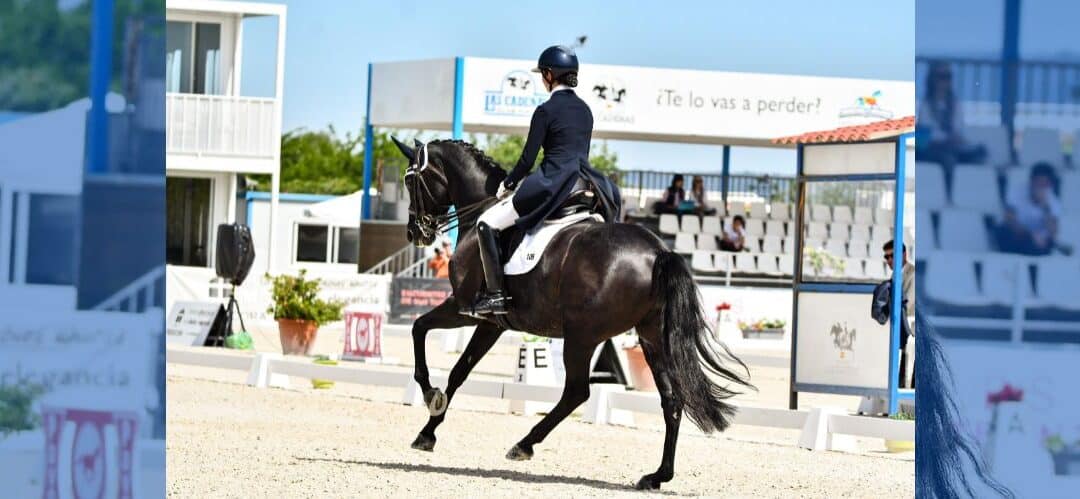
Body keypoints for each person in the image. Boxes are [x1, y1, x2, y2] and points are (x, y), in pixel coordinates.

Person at [471, 45, 620, 315]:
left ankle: (495, 295)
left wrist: (508, 184)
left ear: (550, 75)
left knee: (486, 223)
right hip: (585, 183)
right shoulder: (585, 110)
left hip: (553, 182)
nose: (542, 78)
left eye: (543, 74)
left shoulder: (545, 110)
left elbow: (528, 159)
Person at [917, 62, 988, 187]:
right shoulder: (926, 104)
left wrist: (955, 138)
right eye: (941, 76)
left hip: (952, 146)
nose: (945, 81)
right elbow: (927, 132)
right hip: (932, 148)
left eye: (948, 76)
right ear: (932, 79)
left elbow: (959, 127)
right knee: (948, 159)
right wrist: (947, 138)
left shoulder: (955, 104)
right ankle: (949, 193)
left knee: (980, 153)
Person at [995, 162, 1069, 256]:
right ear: (1031, 181)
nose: (1041, 187)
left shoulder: (1053, 202)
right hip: (1016, 237)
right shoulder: (1016, 192)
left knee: (1045, 244)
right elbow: (1009, 220)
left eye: (1045, 184)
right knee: (1004, 231)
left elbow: (1053, 232)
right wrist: (1030, 235)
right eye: (1039, 182)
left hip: (1036, 243)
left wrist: (1045, 207)